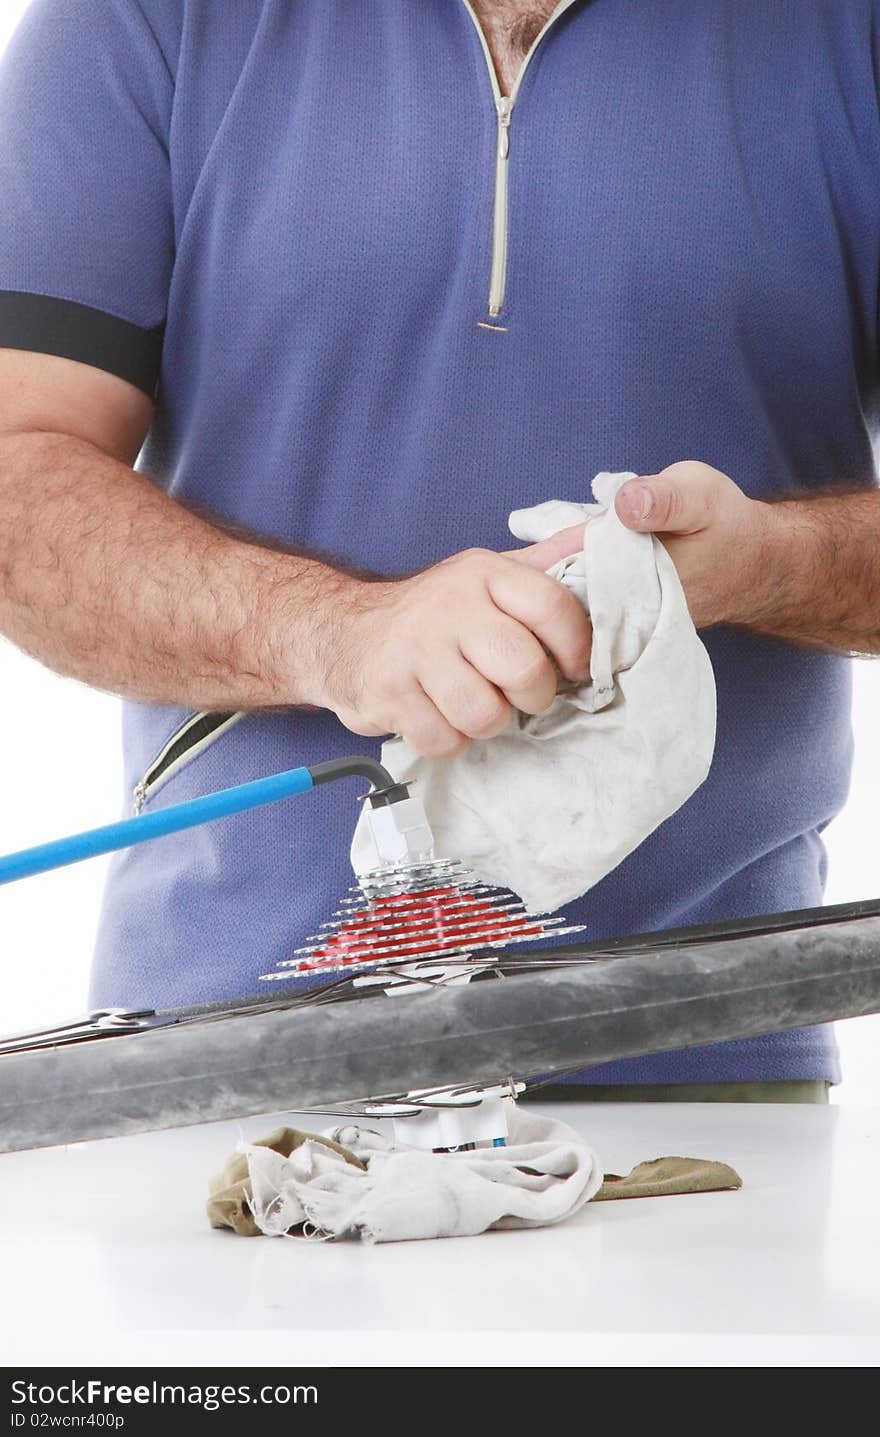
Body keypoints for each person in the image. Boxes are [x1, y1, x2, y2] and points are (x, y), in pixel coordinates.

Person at [0, 0, 877, 1103]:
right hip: (221, 1065)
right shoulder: (141, 20)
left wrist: (777, 562)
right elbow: (17, 476)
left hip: (708, 1065)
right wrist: (332, 635)